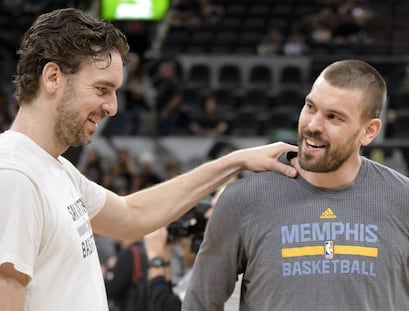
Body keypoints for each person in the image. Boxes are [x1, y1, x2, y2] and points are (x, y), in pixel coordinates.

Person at [0, 8, 298, 310]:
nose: (113, 107)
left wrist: (235, 162)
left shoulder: (55, 168)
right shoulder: (15, 176)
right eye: (102, 89)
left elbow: (133, 216)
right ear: (52, 77)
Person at [183, 59, 409, 310]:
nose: (313, 125)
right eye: (310, 107)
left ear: (369, 131)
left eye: (333, 117)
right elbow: (199, 304)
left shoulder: (406, 201)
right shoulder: (243, 199)